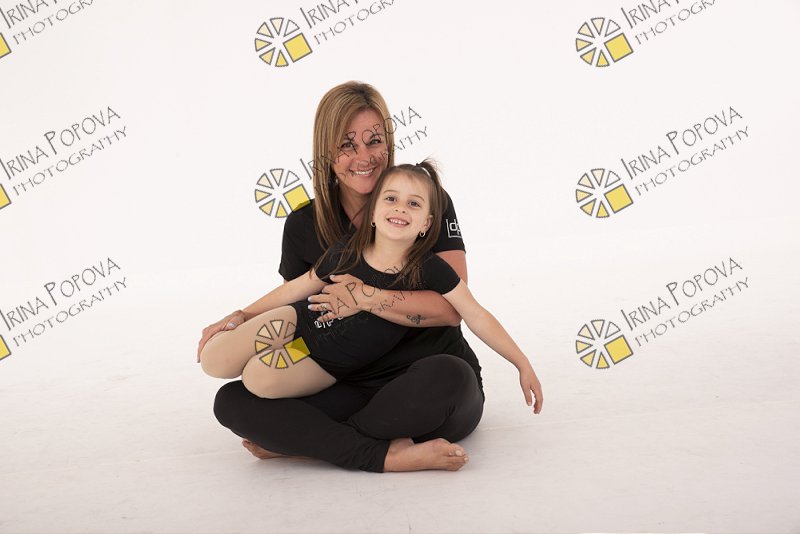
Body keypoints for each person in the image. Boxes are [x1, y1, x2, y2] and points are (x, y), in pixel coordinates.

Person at [197, 81, 545, 473]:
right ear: (326, 153)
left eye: (374, 141)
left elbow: (452, 310)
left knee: (450, 377)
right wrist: (241, 317)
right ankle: (379, 451)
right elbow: (302, 309)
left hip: (423, 379)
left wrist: (367, 297)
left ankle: (320, 443)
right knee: (233, 401)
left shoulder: (424, 200)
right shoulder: (304, 226)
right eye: (347, 145)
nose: (363, 157)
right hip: (340, 379)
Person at [200, 161, 543, 409]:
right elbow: (296, 288)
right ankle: (261, 350)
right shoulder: (347, 251)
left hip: (325, 361)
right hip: (298, 322)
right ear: (374, 212)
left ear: (426, 224)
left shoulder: (430, 271)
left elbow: (476, 315)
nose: (400, 209)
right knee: (214, 359)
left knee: (258, 377)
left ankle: (277, 373)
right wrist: (242, 314)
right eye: (391, 199)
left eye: (413, 203)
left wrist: (521, 362)